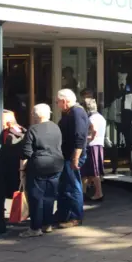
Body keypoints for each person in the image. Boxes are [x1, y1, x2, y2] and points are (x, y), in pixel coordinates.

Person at [19, 104, 64, 238]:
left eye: (32, 113)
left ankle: (35, 227)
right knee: (50, 195)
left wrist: (22, 170)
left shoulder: (33, 129)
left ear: (35, 115)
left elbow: (27, 152)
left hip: (39, 165)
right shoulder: (56, 127)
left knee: (36, 196)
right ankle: (47, 224)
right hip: (56, 164)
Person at [55, 89, 90, 228]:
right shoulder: (70, 112)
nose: (57, 104)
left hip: (72, 155)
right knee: (64, 186)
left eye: (57, 102)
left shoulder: (77, 112)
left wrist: (76, 157)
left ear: (64, 101)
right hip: (67, 154)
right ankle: (62, 214)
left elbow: (79, 136)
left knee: (73, 185)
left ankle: (75, 217)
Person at [0, 110, 27, 234]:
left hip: (7, 170)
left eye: (3, 121)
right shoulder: (24, 131)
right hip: (17, 169)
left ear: (9, 122)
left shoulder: (8, 135)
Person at [81, 99, 106, 202]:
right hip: (99, 144)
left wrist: (89, 138)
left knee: (93, 171)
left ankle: (98, 193)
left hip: (92, 145)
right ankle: (84, 191)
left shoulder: (92, 118)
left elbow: (94, 130)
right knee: (91, 171)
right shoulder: (101, 117)